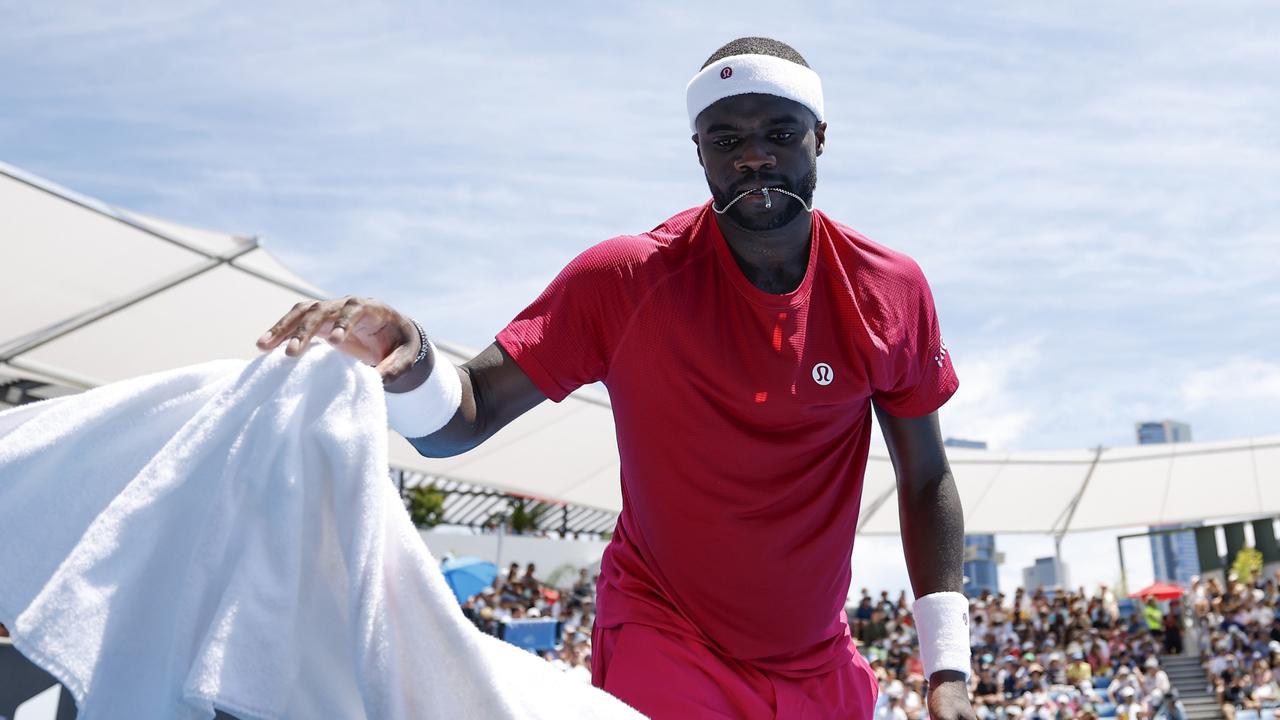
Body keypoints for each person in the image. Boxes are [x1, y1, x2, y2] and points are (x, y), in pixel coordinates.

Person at [257, 36, 971, 720]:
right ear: (699, 152)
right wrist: (410, 359)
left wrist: (948, 670)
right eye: (726, 139)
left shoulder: (892, 291)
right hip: (668, 643)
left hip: (819, 666)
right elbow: (462, 420)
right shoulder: (626, 280)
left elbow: (926, 476)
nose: (754, 157)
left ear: (821, 135)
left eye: (779, 133)